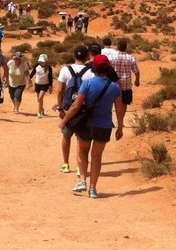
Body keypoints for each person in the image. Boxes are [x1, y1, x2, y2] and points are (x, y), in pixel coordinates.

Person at [58, 55, 124, 198]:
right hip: (105, 126)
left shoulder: (87, 84)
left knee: (82, 151)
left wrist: (64, 121)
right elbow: (119, 109)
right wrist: (120, 127)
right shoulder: (115, 87)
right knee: (97, 156)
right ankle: (93, 189)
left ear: (94, 68)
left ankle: (82, 180)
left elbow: (76, 106)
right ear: (108, 69)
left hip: (86, 124)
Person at [55, 45, 92, 174]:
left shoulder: (65, 70)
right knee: (80, 138)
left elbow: (60, 91)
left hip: (68, 109)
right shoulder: (90, 71)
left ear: (74, 56)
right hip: (83, 109)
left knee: (66, 136)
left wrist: (60, 108)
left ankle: (65, 164)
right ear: (87, 56)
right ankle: (79, 166)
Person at [111, 38, 141, 112]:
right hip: (126, 85)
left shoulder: (112, 57)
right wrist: (137, 80)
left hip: (114, 84)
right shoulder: (130, 58)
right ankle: (121, 121)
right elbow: (136, 71)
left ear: (117, 47)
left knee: (112, 102)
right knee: (124, 103)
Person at [33, 53, 53, 117]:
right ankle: (41, 109)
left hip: (45, 85)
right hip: (37, 84)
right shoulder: (37, 65)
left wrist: (50, 86)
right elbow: (33, 72)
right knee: (38, 99)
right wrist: (29, 78)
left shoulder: (49, 67)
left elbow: (50, 77)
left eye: (43, 61)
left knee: (40, 98)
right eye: (40, 61)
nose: (41, 62)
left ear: (46, 61)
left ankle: (39, 113)